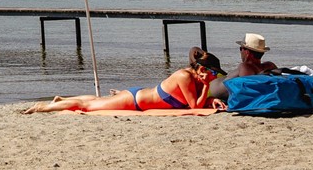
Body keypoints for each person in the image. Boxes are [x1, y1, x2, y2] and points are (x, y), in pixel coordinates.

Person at [23, 47, 228, 114]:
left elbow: (196, 102)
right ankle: (43, 107)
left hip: (137, 98)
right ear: (202, 69)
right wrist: (208, 88)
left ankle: (61, 99)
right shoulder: (184, 76)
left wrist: (211, 100)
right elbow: (193, 106)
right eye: (213, 73)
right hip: (134, 100)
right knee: (87, 106)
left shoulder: (196, 80)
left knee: (96, 100)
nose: (214, 77)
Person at [209, 33, 278, 100]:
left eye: (241, 48)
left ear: (247, 52)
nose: (240, 51)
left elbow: (246, 90)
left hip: (207, 91)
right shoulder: (270, 65)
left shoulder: (245, 67)